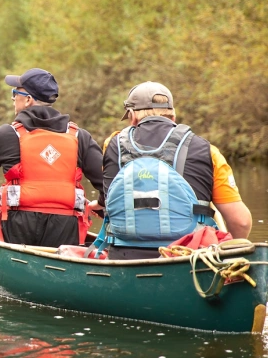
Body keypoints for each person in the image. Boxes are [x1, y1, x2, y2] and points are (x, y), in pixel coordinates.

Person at [99, 81, 252, 260]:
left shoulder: (112, 145)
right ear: (173, 116)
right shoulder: (207, 150)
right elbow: (241, 221)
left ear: (132, 116)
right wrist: (231, 254)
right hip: (190, 257)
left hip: (123, 255)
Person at [0, 68, 104, 247]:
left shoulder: (9, 134)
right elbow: (108, 181)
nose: (13, 99)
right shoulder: (80, 137)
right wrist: (100, 204)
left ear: (28, 100)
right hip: (66, 231)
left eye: (15, 93)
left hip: (16, 229)